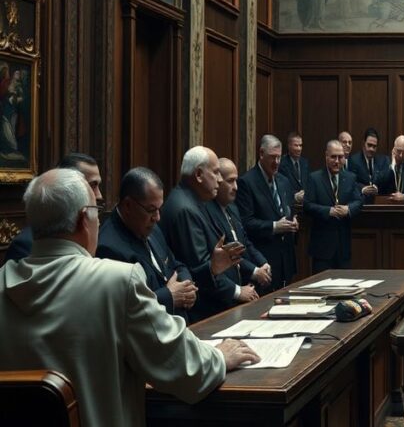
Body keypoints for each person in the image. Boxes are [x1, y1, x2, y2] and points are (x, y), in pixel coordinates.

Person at [0, 168, 259, 427]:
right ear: (83, 220)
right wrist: (220, 357)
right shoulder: (117, 281)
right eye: (96, 213)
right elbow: (185, 368)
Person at [98, 167, 204, 320]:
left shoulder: (151, 227)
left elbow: (175, 264)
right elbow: (125, 308)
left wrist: (187, 287)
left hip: (180, 327)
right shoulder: (108, 247)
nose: (157, 217)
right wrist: (169, 296)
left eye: (159, 209)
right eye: (151, 210)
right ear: (128, 205)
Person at [160, 146, 246, 320]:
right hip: (203, 313)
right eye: (215, 172)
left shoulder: (195, 202)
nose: (220, 180)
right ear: (198, 175)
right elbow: (197, 270)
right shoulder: (185, 209)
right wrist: (234, 291)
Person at [6, 152, 104, 262]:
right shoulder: (25, 245)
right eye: (92, 185)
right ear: (67, 186)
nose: (99, 195)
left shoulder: (91, 231)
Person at [237, 135, 300, 290]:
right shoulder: (247, 182)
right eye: (272, 157)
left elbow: (288, 211)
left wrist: (293, 222)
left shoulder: (284, 181)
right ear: (261, 154)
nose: (277, 162)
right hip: (264, 260)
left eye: (279, 157)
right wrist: (274, 226)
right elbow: (246, 222)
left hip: (286, 260)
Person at [205, 158, 270, 298]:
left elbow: (245, 242)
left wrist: (262, 262)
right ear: (218, 180)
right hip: (224, 293)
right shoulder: (208, 212)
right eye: (230, 181)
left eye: (236, 181)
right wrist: (255, 271)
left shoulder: (233, 208)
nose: (236, 187)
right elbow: (228, 252)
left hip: (245, 285)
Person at [305, 140, 362, 271]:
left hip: (343, 249)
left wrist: (348, 209)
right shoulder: (315, 178)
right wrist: (328, 211)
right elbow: (307, 205)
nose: (337, 161)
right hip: (322, 250)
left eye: (340, 157)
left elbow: (359, 201)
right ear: (326, 156)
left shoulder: (350, 177)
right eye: (333, 157)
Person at [349, 128, 388, 201]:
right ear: (363, 144)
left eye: (374, 146)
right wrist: (363, 189)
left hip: (379, 203)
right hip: (360, 203)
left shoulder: (383, 161)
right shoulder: (354, 160)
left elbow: (386, 182)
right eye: (369, 145)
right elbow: (351, 182)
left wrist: (377, 188)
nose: (371, 149)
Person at [278, 131, 309, 203]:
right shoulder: (281, 164)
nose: (299, 149)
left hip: (304, 205)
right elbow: (281, 187)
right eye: (296, 145)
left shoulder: (305, 163)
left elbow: (308, 183)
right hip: (290, 204)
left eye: (300, 145)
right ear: (289, 146)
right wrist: (295, 196)